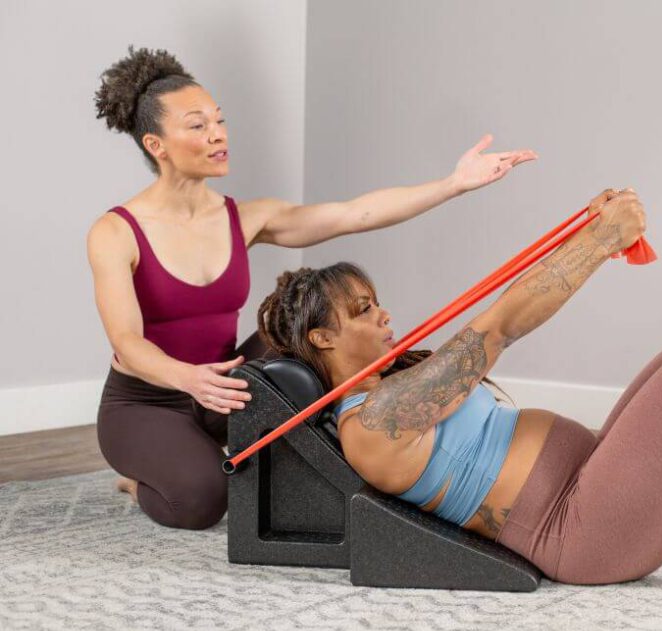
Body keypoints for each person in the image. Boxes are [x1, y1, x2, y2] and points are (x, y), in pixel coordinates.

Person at [255, 188, 662, 604]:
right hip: (585, 531)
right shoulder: (372, 423)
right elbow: (499, 327)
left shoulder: (394, 389)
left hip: (589, 486)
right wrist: (599, 242)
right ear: (322, 338)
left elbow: (501, 320)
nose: (384, 315)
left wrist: (587, 234)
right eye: (363, 311)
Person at [87, 45, 537, 530]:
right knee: (203, 499)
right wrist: (190, 379)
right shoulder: (116, 232)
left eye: (219, 121)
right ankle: (140, 480)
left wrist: (453, 184)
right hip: (147, 403)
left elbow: (352, 214)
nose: (217, 134)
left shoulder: (245, 218)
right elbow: (127, 343)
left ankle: (349, 451)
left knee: (314, 334)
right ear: (156, 145)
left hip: (225, 389)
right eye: (198, 126)